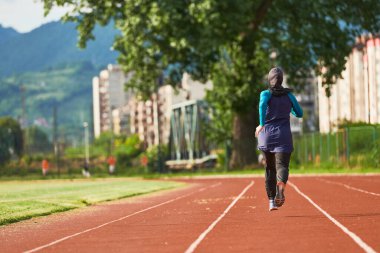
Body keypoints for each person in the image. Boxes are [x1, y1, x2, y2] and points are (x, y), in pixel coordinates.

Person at [255, 67, 303, 211]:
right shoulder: (289, 96)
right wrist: (291, 110)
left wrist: (261, 124)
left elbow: (262, 105)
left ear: (270, 80)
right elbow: (299, 113)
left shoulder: (265, 94)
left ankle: (271, 201)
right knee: (282, 166)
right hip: (284, 136)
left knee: (270, 168)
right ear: (282, 80)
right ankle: (280, 185)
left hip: (267, 136)